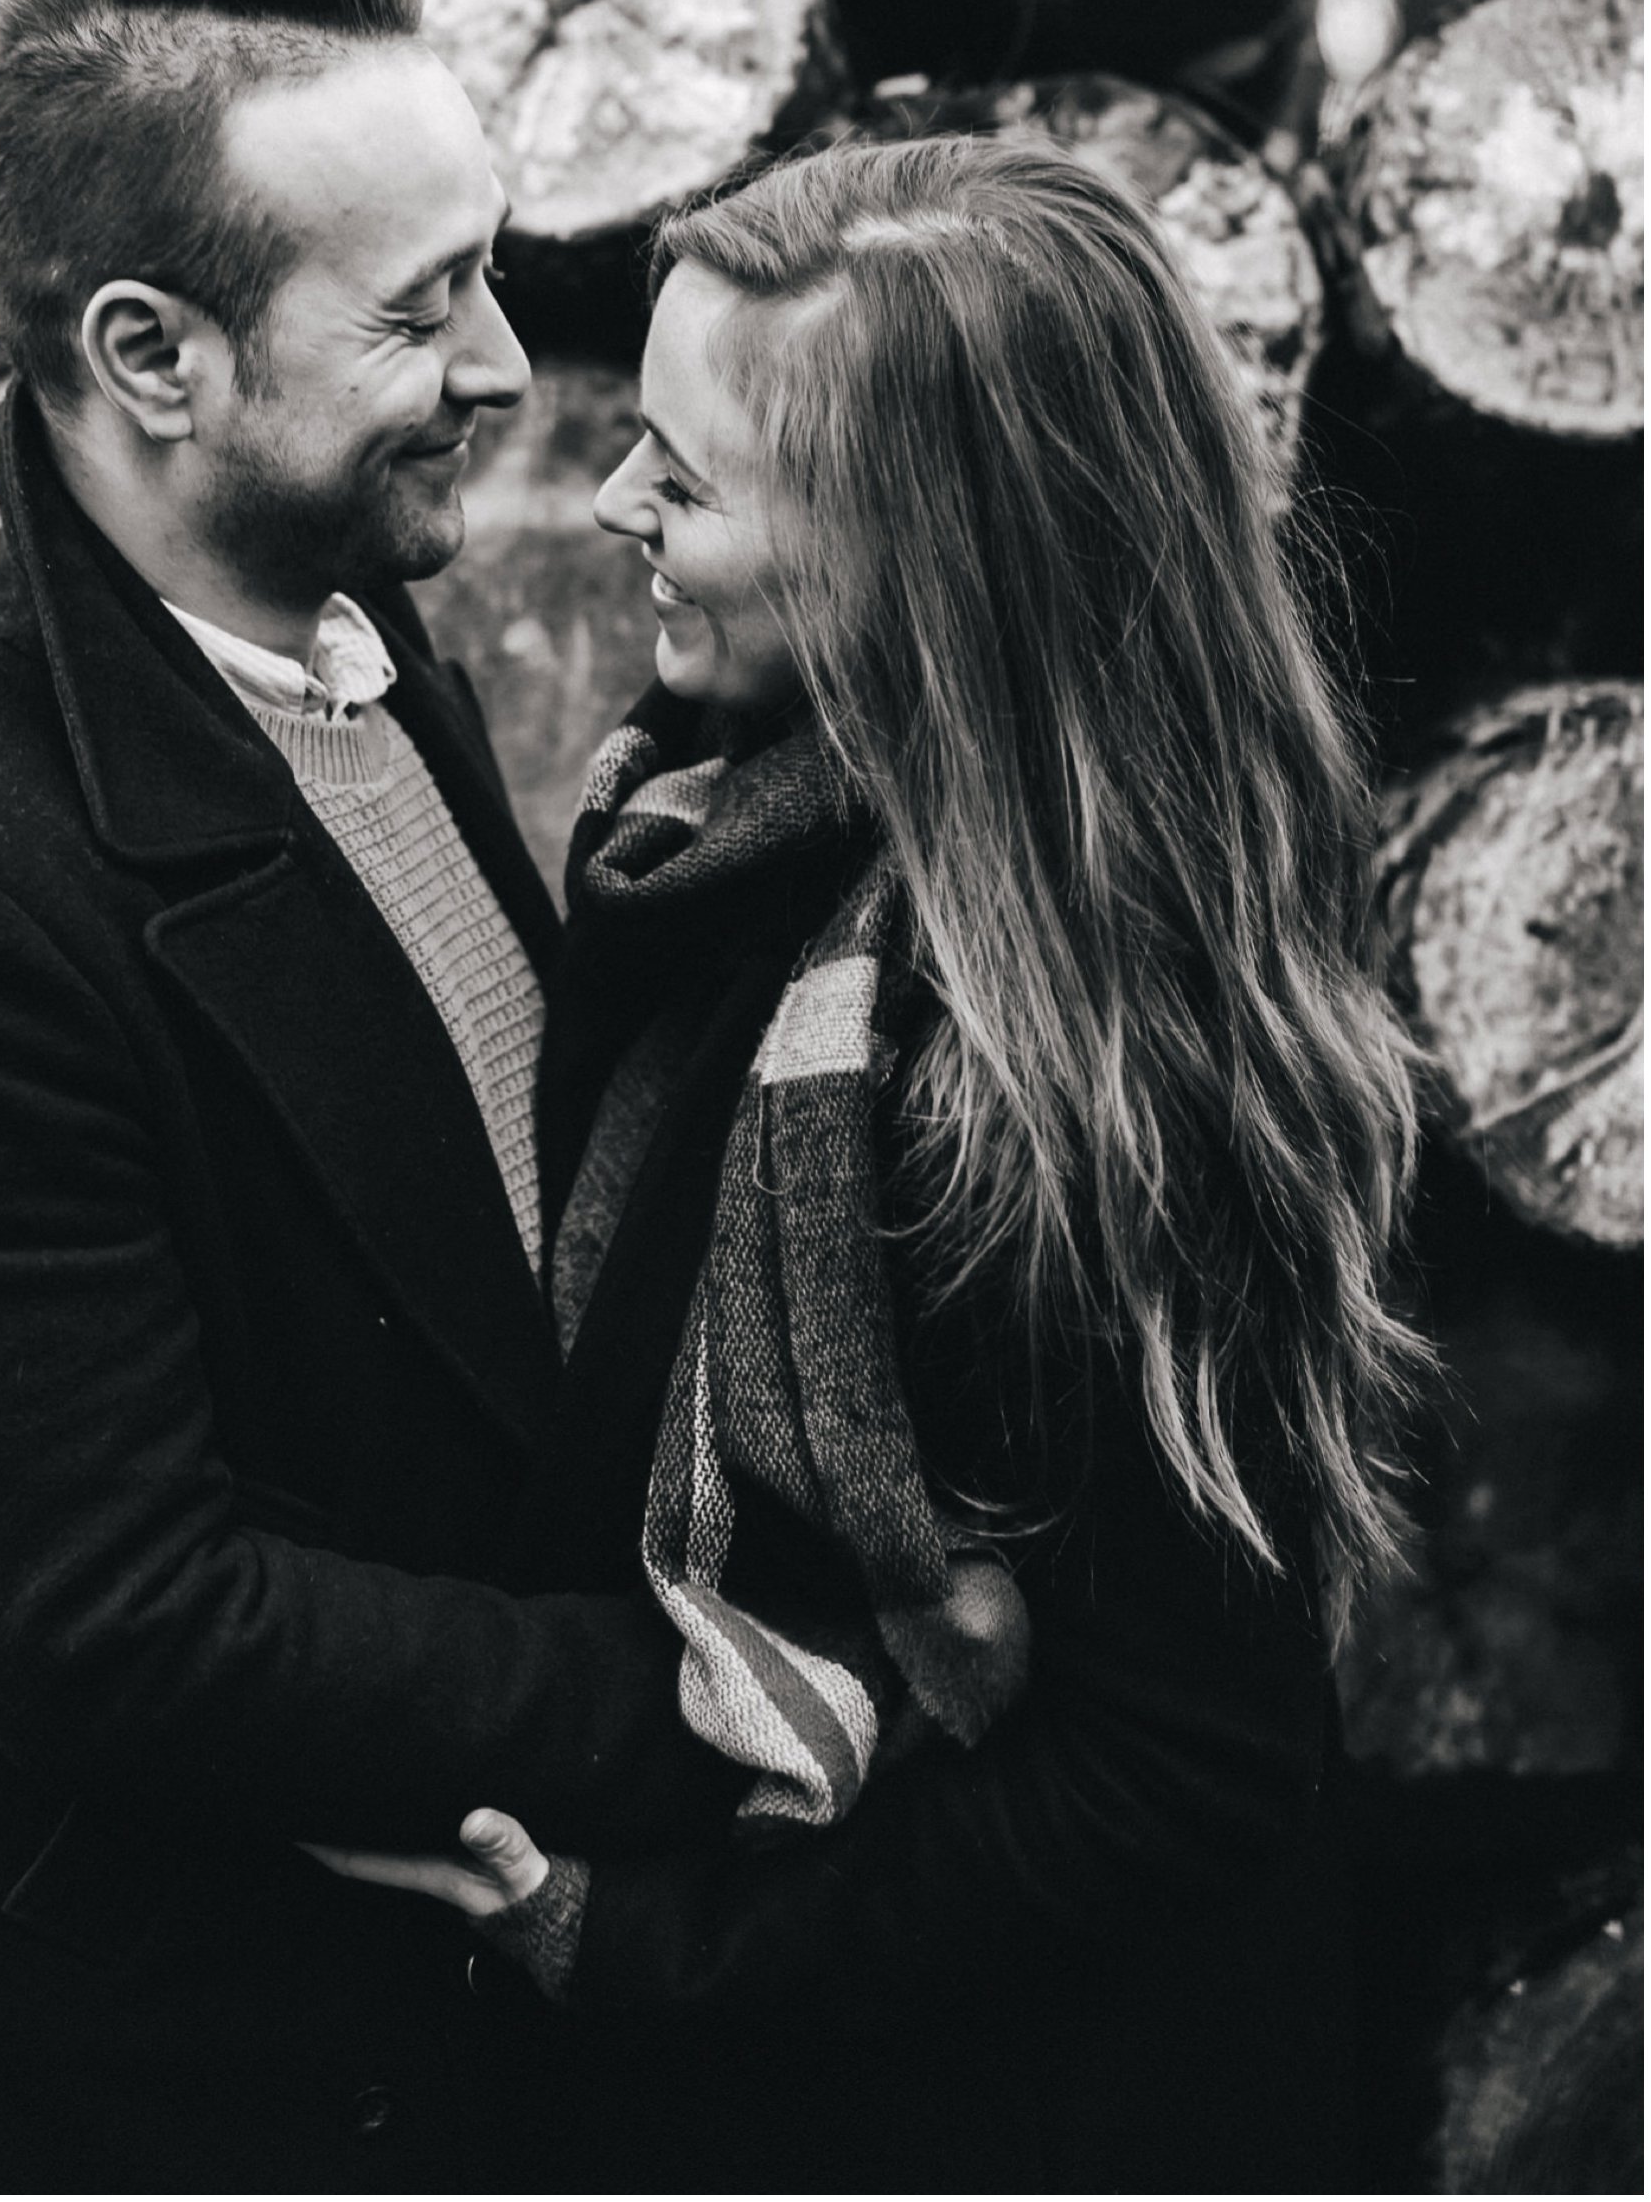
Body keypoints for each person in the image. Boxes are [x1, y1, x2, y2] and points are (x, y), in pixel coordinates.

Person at [0, 0, 742, 2198]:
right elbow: (131, 1626)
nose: (498, 363)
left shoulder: (371, 637)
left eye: (484, 267)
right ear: (151, 356)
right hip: (113, 2082)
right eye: (413, 308)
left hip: (430, 2019)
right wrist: (721, 1694)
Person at [315, 135, 1433, 2195]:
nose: (613, 504)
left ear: (932, 555)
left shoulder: (1067, 1058)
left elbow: (1175, 1766)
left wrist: (641, 1940)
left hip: (1019, 2115)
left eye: (691, 475)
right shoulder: (723, 860)